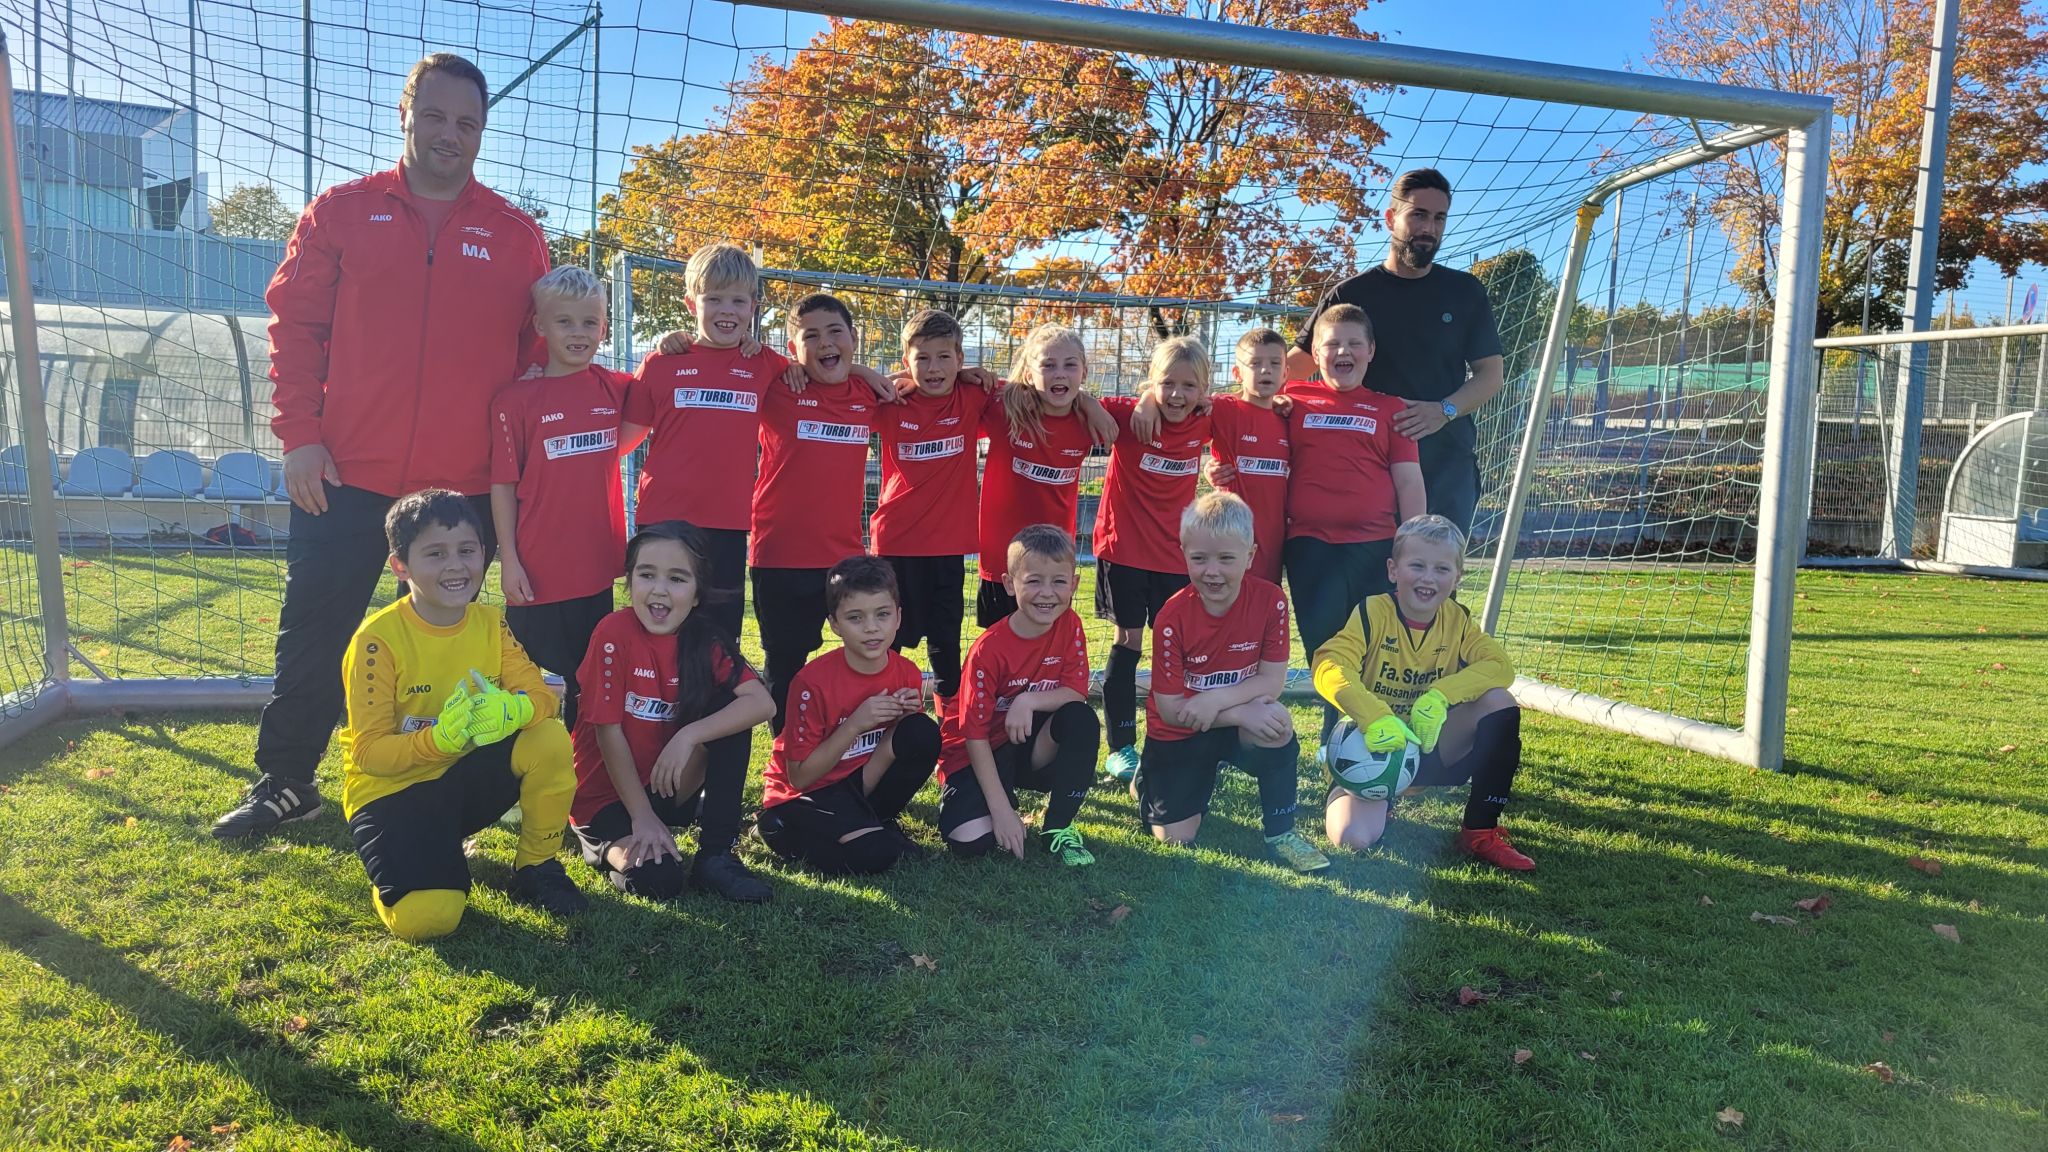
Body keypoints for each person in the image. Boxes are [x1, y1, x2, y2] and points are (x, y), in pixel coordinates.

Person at [217, 53, 550, 839]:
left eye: (466, 123)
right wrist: (301, 438)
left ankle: (448, 788)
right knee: (315, 631)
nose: (449, 134)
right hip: (342, 473)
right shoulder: (340, 212)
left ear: (482, 132)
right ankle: (287, 781)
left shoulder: (517, 236)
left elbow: (541, 356)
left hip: (461, 490)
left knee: (451, 645)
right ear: (404, 115)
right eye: (434, 116)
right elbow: (296, 330)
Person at [337, 490, 584, 940]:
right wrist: (439, 740)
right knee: (430, 919)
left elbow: (544, 698)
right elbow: (369, 754)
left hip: (462, 776)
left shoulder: (490, 622)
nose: (455, 566)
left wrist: (516, 708)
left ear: (484, 555)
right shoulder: (376, 641)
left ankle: (537, 865)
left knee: (546, 738)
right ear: (400, 566)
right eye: (436, 554)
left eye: (467, 551)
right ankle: (400, 868)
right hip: (393, 790)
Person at [1289, 168, 1504, 535]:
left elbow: (1491, 375)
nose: (1429, 228)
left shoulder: (1465, 291)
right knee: (1373, 573)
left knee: (1434, 569)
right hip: (1366, 469)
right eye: (1418, 215)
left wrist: (1444, 410)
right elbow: (1293, 367)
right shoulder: (1351, 294)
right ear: (1390, 219)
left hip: (1446, 463)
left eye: (1439, 218)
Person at [1312, 515, 1534, 871]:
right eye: (1417, 565)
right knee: (1352, 837)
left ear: (1457, 577)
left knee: (1498, 702)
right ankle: (1377, 800)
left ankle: (1479, 831)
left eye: (1441, 569)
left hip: (1430, 747)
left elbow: (1499, 666)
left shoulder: (1457, 620)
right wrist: (1374, 716)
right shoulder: (1371, 613)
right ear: (1393, 570)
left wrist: (1440, 696)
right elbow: (1328, 665)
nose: (1428, 578)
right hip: (1373, 752)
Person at [569, 521, 775, 903]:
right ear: (629, 581)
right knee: (659, 880)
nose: (659, 589)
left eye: (677, 579)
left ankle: (716, 855)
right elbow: (608, 732)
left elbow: (762, 703)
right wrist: (641, 816)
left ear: (697, 595)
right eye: (647, 574)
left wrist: (688, 735)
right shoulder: (613, 633)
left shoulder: (703, 638)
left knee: (730, 711)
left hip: (666, 785)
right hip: (606, 796)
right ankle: (600, 845)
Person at [1135, 492, 1327, 874]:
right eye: (1199, 558)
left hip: (1230, 721)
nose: (1212, 571)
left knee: (1276, 723)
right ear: (1183, 553)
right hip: (1180, 731)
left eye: (1226, 558)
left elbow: (1271, 681)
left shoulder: (1271, 601)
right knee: (1176, 837)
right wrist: (1236, 711)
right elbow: (1171, 710)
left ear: (1250, 556)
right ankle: (1148, 781)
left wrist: (1220, 702)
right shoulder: (1171, 617)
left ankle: (1281, 833)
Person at [490, 266, 629, 731]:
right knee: (521, 686)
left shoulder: (615, 388)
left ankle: (582, 768)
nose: (578, 333)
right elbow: (503, 485)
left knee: (588, 686)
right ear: (540, 326)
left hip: (595, 570)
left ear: (604, 328)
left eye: (589, 322)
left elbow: (653, 404)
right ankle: (517, 766)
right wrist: (509, 560)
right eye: (565, 321)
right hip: (536, 572)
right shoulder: (514, 401)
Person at [620, 243, 781, 642]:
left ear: (753, 307)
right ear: (692, 303)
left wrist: (867, 373)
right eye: (714, 299)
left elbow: (823, 373)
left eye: (738, 301)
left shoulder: (765, 364)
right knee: (658, 630)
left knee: (719, 639)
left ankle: (714, 687)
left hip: (727, 526)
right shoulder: (661, 362)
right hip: (664, 520)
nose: (727, 310)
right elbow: (622, 441)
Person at [1283, 303, 1426, 737]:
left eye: (1353, 343)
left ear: (1370, 351)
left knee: (1371, 647)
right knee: (1326, 647)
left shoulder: (1391, 409)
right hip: (1310, 547)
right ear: (1315, 354)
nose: (1343, 351)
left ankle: (1372, 733)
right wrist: (1218, 465)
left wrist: (1415, 546)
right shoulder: (1289, 401)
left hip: (1375, 547)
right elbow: (1243, 433)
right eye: (1332, 344)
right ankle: (1336, 739)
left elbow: (1408, 480)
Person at [757, 556, 940, 876]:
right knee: (874, 855)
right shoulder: (811, 683)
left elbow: (903, 742)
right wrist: (856, 723)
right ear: (835, 624)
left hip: (857, 784)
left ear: (898, 617)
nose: (871, 627)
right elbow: (800, 777)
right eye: (856, 617)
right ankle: (776, 828)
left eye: (882, 614)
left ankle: (874, 820)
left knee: (921, 731)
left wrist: (904, 715)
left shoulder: (907, 672)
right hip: (805, 792)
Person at [750, 293, 879, 732]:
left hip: (845, 559)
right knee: (785, 664)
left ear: (853, 338)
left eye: (835, 332)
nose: (825, 342)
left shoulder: (871, 393)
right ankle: (787, 758)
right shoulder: (778, 387)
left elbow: (928, 378)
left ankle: (849, 748)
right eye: (811, 336)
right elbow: (729, 358)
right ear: (793, 349)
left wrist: (862, 371)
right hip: (780, 556)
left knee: (862, 656)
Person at [940, 524, 1100, 866]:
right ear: (1010, 584)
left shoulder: (1070, 624)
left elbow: (1075, 692)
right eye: (1034, 581)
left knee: (1081, 720)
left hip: (1024, 745)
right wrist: (1000, 810)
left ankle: (1058, 827)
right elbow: (974, 735)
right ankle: (995, 799)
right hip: (974, 753)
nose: (1047, 593)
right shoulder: (988, 650)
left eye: (1059, 581)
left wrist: (1028, 700)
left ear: (1074, 585)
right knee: (972, 842)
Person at [1092, 337, 1213, 783]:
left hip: (1175, 558)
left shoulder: (1207, 419)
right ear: (1152, 381)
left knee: (1175, 648)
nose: (1177, 395)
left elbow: (1250, 407)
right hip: (1123, 551)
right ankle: (1121, 747)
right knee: (1128, 641)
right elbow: (1082, 400)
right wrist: (1143, 401)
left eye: (1189, 386)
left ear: (1204, 390)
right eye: (1167, 384)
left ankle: (1172, 737)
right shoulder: (1129, 416)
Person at [870, 308, 989, 718]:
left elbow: (1026, 389)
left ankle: (950, 725)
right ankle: (885, 719)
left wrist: (973, 375)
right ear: (907, 361)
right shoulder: (891, 402)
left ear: (960, 359)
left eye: (944, 357)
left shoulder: (972, 398)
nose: (933, 367)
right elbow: (846, 389)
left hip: (947, 548)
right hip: (896, 543)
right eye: (922, 358)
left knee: (945, 641)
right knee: (890, 640)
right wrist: (886, 379)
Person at [974, 324, 1117, 627]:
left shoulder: (1090, 419)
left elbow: (1152, 408)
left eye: (1070, 365)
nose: (1060, 373)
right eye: (1048, 365)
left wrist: (1090, 402)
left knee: (1049, 645)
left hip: (1054, 564)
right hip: (1002, 562)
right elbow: (949, 384)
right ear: (1029, 373)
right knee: (998, 644)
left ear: (1084, 373)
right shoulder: (1004, 408)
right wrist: (967, 373)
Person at [1204, 328, 1293, 586]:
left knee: (1263, 602)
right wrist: (1148, 401)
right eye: (1255, 363)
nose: (1266, 370)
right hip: (1227, 538)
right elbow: (1179, 403)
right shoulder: (1223, 408)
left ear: (1285, 373)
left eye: (1275, 363)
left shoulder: (1290, 417)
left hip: (1272, 542)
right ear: (1237, 373)